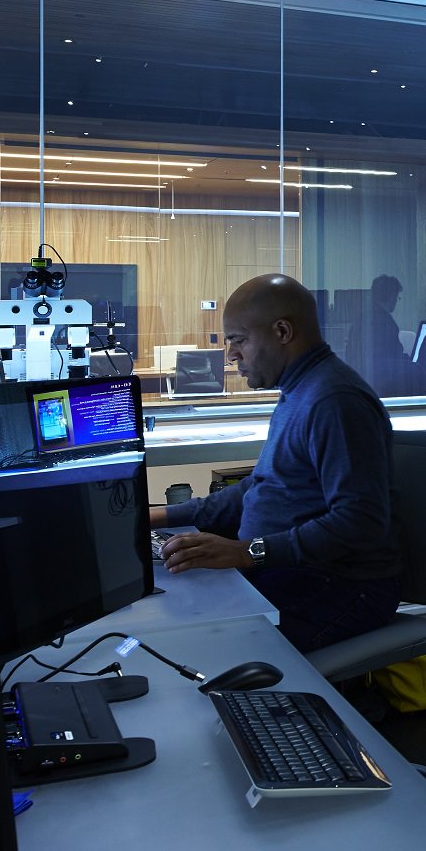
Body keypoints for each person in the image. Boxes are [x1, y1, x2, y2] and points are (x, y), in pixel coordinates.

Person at [152, 274, 402, 653]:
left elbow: (359, 522)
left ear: (282, 331)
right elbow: (262, 486)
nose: (232, 355)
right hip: (294, 570)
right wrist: (162, 516)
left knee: (202, 642)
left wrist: (246, 552)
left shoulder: (334, 401)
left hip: (342, 585)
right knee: (177, 603)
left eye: (239, 340)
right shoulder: (299, 391)